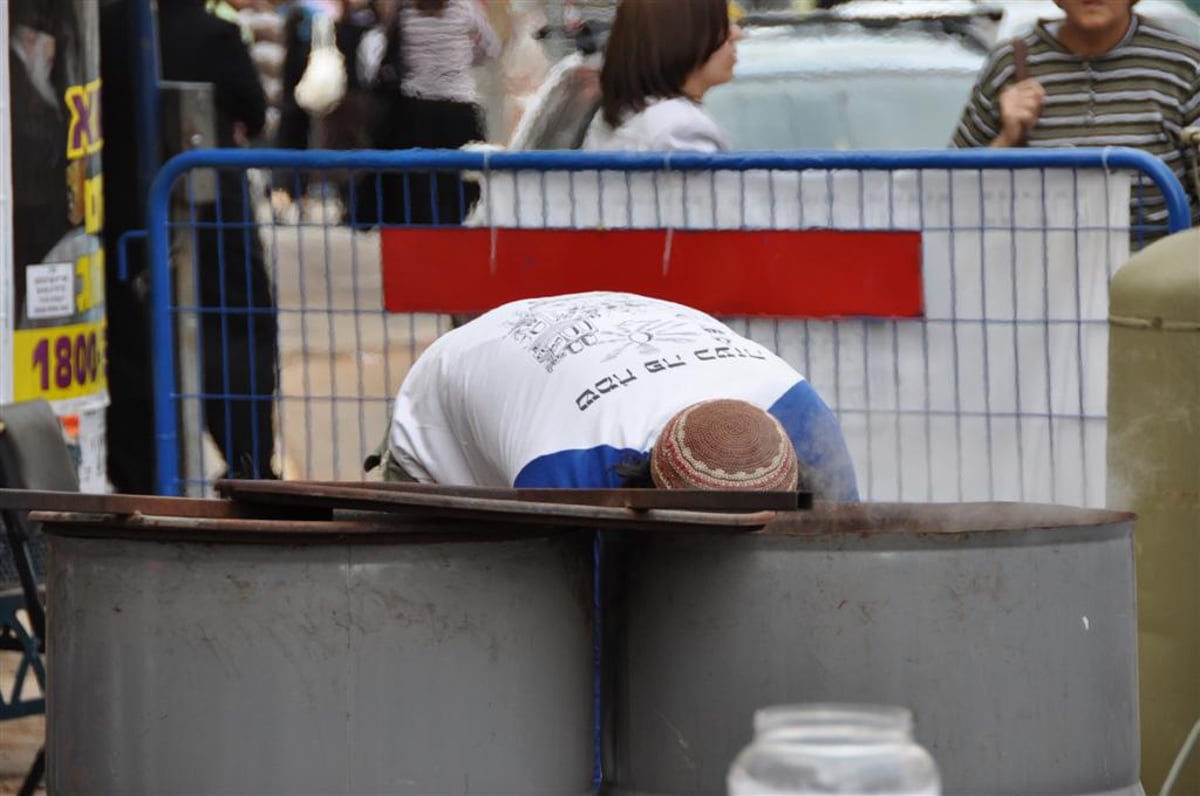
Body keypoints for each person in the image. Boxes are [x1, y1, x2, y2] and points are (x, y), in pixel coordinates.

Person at [375, 292, 859, 499]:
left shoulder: (804, 420)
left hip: (601, 344)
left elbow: (839, 558)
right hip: (460, 387)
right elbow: (578, 626)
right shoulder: (567, 470)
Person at [951, 0, 1200, 237]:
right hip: (1037, 270)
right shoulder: (1010, 66)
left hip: (1150, 273)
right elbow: (945, 193)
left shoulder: (1185, 66)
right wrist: (1005, 141)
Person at [159, 0, 280, 479]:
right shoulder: (215, 35)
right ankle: (248, 459)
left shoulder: (121, 33)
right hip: (215, 208)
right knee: (239, 323)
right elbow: (252, 110)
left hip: (145, 207)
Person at [358, 0, 499, 225]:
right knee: (460, 181)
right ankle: (456, 232)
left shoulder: (405, 11)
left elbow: (388, 55)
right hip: (459, 109)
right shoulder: (464, 8)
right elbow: (491, 48)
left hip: (417, 110)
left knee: (419, 183)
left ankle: (422, 236)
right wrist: (460, 60)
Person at [582, 0, 743, 152]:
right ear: (684, 37)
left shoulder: (623, 113)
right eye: (723, 23)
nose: (737, 34)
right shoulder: (680, 131)